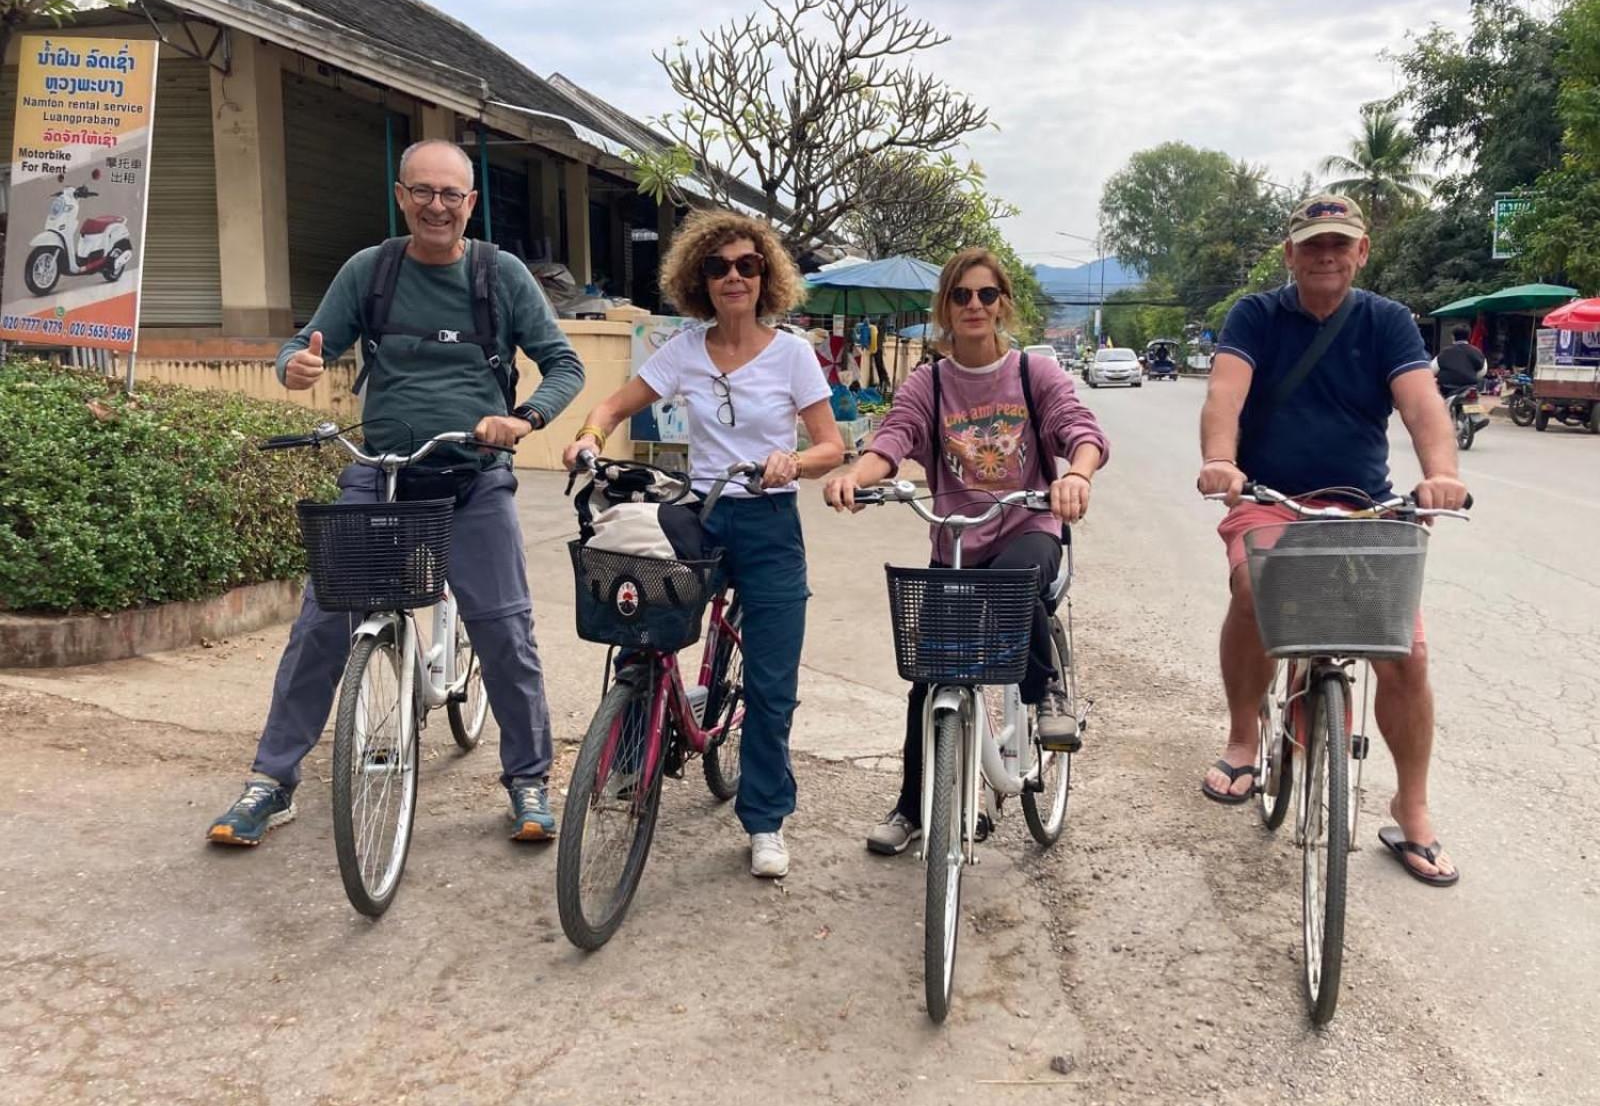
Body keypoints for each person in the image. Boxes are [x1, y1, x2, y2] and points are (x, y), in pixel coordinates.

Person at [207, 139, 585, 847]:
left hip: (473, 480)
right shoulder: (370, 271)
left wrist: (523, 418)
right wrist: (296, 364)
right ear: (401, 196)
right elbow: (304, 345)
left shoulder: (499, 276)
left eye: (452, 195)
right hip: (380, 473)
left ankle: (528, 779)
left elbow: (562, 365)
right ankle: (271, 781)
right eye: (424, 192)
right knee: (321, 623)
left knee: (504, 628)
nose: (437, 206)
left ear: (470, 205)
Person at [561, 209, 844, 880]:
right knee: (643, 625)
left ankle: (765, 818)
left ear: (765, 275)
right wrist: (589, 439)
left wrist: (794, 463)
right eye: (719, 268)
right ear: (700, 279)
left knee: (772, 684)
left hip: (771, 521)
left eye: (748, 265)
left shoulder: (792, 354)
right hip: (701, 514)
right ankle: (630, 754)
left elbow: (833, 446)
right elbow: (609, 408)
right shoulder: (684, 350)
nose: (734, 277)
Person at [1196, 193, 1469, 886]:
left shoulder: (1386, 323)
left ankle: (1411, 809)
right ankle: (1243, 737)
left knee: (1405, 650)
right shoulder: (1255, 316)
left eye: (1339, 244)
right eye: (1313, 243)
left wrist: (1442, 475)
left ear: (1361, 251)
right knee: (1255, 587)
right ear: (1290, 253)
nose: (1326, 255)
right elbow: (1224, 397)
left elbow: (1422, 405)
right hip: (1270, 501)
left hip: (1363, 507)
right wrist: (1221, 462)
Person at [824, 247, 1109, 857]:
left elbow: (1080, 431)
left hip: (1028, 527)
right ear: (945, 308)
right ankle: (910, 807)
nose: (974, 306)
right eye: (961, 296)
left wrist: (1076, 476)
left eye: (985, 294)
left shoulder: (1035, 374)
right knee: (929, 679)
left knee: (1012, 580)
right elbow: (895, 436)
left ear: (1003, 303)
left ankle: (1047, 691)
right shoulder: (928, 382)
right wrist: (860, 474)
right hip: (956, 539)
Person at [1433, 323, 1487, 394]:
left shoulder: (1445, 352)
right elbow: (1483, 371)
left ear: (1452, 336)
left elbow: (1433, 369)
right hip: (1470, 387)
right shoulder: (1477, 352)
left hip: (1447, 388)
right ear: (1469, 336)